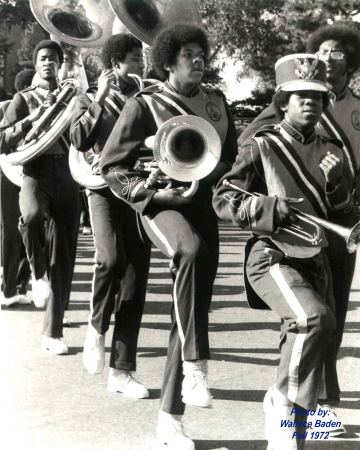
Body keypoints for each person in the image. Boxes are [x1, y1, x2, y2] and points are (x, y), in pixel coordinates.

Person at [100, 23, 237, 450]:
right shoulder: (146, 104)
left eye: (201, 53)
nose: (197, 59)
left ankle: (169, 422)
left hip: (202, 208)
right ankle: (198, 367)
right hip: (159, 205)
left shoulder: (216, 104)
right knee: (189, 252)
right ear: (167, 60)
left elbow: (229, 159)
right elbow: (110, 167)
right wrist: (150, 190)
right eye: (187, 54)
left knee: (189, 305)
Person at [213, 54, 353, 450]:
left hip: (316, 257)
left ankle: (291, 432)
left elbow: (343, 212)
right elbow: (223, 198)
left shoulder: (332, 149)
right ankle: (279, 401)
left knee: (312, 339)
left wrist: (336, 184)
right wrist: (268, 207)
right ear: (282, 102)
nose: (310, 102)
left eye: (317, 96)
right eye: (300, 95)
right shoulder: (262, 146)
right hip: (271, 254)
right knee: (313, 319)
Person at [70, 33, 151, 397]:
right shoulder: (90, 98)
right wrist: (99, 99)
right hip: (102, 189)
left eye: (142, 59)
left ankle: (121, 371)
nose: (141, 65)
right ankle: (95, 327)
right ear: (116, 63)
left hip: (136, 191)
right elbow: (77, 138)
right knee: (109, 259)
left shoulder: (147, 100)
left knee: (135, 277)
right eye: (135, 59)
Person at [0, 40, 79, 354]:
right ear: (36, 65)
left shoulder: (73, 97)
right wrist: (31, 120)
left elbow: (85, 135)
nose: (48, 62)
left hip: (68, 173)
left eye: (53, 59)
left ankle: (53, 333)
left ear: (59, 65)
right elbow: (2, 140)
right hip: (35, 170)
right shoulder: (23, 98)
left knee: (64, 256)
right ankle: (37, 272)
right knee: (30, 218)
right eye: (43, 58)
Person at [0, 70, 35, 307]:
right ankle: (11, 286)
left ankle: (14, 286)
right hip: (11, 172)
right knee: (15, 230)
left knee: (16, 230)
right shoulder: (10, 107)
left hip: (21, 174)